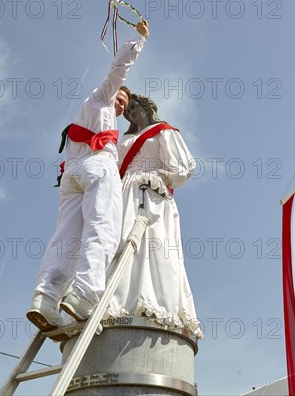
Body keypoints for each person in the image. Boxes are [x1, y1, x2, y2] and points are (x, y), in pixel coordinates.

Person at [26, 21, 150, 337]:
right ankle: (84, 293)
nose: (121, 103)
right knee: (103, 228)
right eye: (120, 98)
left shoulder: (90, 114)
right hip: (97, 167)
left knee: (65, 237)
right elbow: (118, 70)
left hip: (72, 174)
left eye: (123, 104)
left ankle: (46, 298)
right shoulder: (102, 97)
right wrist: (139, 40)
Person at [108, 94, 203, 339]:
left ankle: (152, 300)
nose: (130, 114)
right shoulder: (127, 138)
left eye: (133, 108)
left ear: (147, 107)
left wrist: (159, 177)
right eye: (126, 112)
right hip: (122, 192)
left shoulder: (163, 131)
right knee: (118, 242)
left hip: (149, 189)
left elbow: (182, 167)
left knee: (151, 244)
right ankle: (115, 297)